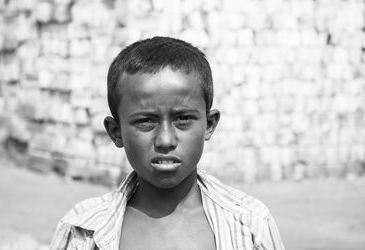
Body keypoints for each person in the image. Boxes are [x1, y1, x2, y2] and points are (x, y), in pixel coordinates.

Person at [50, 36, 285, 250]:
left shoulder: (251, 225)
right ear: (116, 131)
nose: (165, 140)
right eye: (145, 121)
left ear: (209, 124)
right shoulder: (82, 231)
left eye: (183, 119)